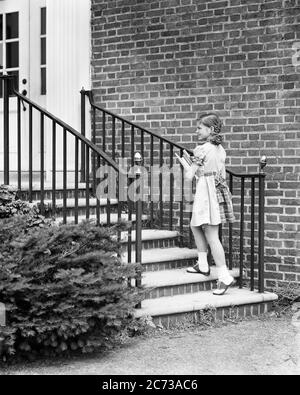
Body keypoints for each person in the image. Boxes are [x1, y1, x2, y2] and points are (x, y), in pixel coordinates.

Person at [182, 113, 236, 296]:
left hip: (207, 192)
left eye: (199, 128)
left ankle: (224, 276)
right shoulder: (220, 149)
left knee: (212, 236)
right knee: (195, 225)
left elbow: (190, 176)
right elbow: (215, 173)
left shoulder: (202, 149)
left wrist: (185, 164)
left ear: (210, 130)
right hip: (214, 190)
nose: (196, 131)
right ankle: (203, 264)